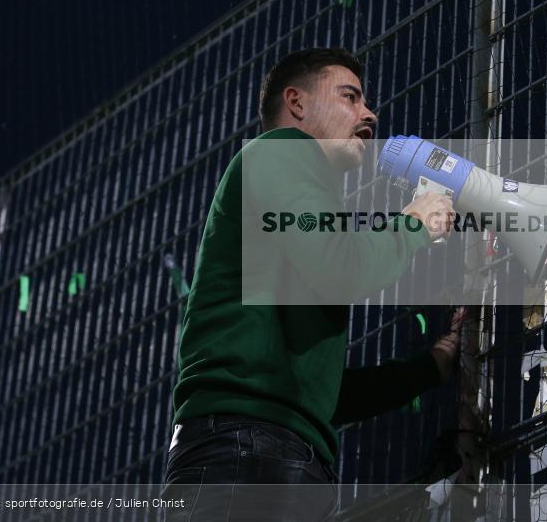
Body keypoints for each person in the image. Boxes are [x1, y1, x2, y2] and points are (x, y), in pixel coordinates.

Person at [161, 47, 465, 521]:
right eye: (350, 97)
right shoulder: (281, 149)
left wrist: (434, 364)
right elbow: (339, 268)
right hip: (250, 454)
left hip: (259, 452)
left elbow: (321, 396)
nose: (369, 113)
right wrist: (414, 224)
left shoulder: (285, 212)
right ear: (297, 104)